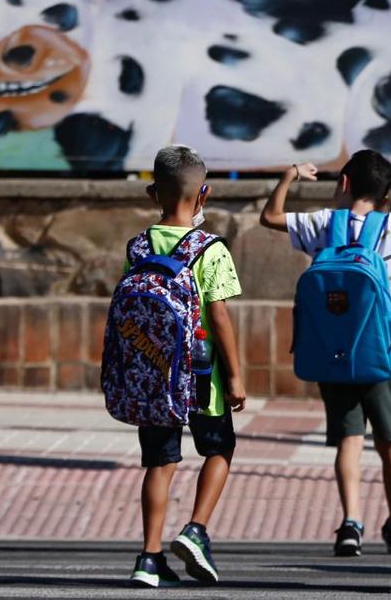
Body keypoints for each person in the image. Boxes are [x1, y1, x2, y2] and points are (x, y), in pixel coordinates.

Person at [260, 151, 391, 558]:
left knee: (348, 441)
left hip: (331, 350)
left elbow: (270, 217)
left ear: (344, 184)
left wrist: (289, 176)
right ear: (387, 195)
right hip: (385, 352)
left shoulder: (324, 222)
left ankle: (351, 522)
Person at [129, 145, 245, 587]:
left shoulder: (138, 246)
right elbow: (219, 317)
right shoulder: (209, 248)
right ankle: (196, 529)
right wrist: (234, 376)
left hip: (153, 376)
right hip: (201, 378)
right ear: (205, 195)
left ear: (153, 193)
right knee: (218, 451)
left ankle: (148, 557)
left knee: (160, 463)